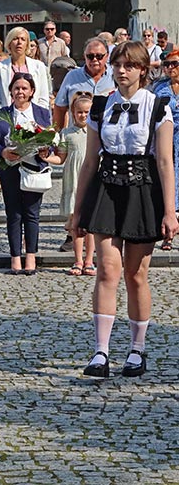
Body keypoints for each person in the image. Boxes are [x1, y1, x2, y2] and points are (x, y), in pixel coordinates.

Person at [72, 41, 177, 378]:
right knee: (107, 270)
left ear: (142, 70)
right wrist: (77, 211)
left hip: (143, 190)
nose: (121, 70)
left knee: (136, 274)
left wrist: (171, 211)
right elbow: (89, 162)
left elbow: (164, 161)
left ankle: (137, 349)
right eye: (117, 64)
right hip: (106, 187)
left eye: (129, 65)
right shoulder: (100, 106)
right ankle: (101, 352)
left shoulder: (158, 106)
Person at [0, 72, 52, 274]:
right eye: (17, 88)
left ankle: (31, 256)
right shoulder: (2, 114)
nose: (20, 92)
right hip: (11, 168)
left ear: (32, 91)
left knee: (32, 214)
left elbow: (50, 141)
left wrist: (45, 151)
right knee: (14, 214)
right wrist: (4, 152)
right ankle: (15, 257)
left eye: (24, 88)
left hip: (34, 168)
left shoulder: (42, 112)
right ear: (11, 91)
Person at [44, 92, 96, 275]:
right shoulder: (66, 133)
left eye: (87, 112)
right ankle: (78, 260)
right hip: (73, 180)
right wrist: (45, 157)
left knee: (90, 224)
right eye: (79, 112)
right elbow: (61, 158)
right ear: (73, 113)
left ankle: (89, 260)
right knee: (75, 223)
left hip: (91, 180)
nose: (83, 115)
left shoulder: (96, 132)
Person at [53, 37, 115, 130]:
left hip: (107, 136)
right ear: (84, 56)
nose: (94, 60)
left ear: (107, 56)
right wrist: (58, 135)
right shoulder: (72, 76)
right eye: (90, 56)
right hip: (77, 136)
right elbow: (60, 108)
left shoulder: (115, 76)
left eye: (99, 56)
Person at [152, 50, 179, 250]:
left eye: (174, 64)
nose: (170, 68)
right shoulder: (159, 86)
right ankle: (168, 233)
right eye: (167, 64)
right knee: (168, 179)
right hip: (166, 135)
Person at [0, 27, 50, 111]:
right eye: (15, 39)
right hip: (7, 117)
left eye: (23, 39)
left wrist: (35, 118)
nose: (19, 42)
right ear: (9, 43)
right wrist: (4, 119)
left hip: (33, 119)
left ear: (27, 44)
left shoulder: (39, 66)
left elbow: (43, 98)